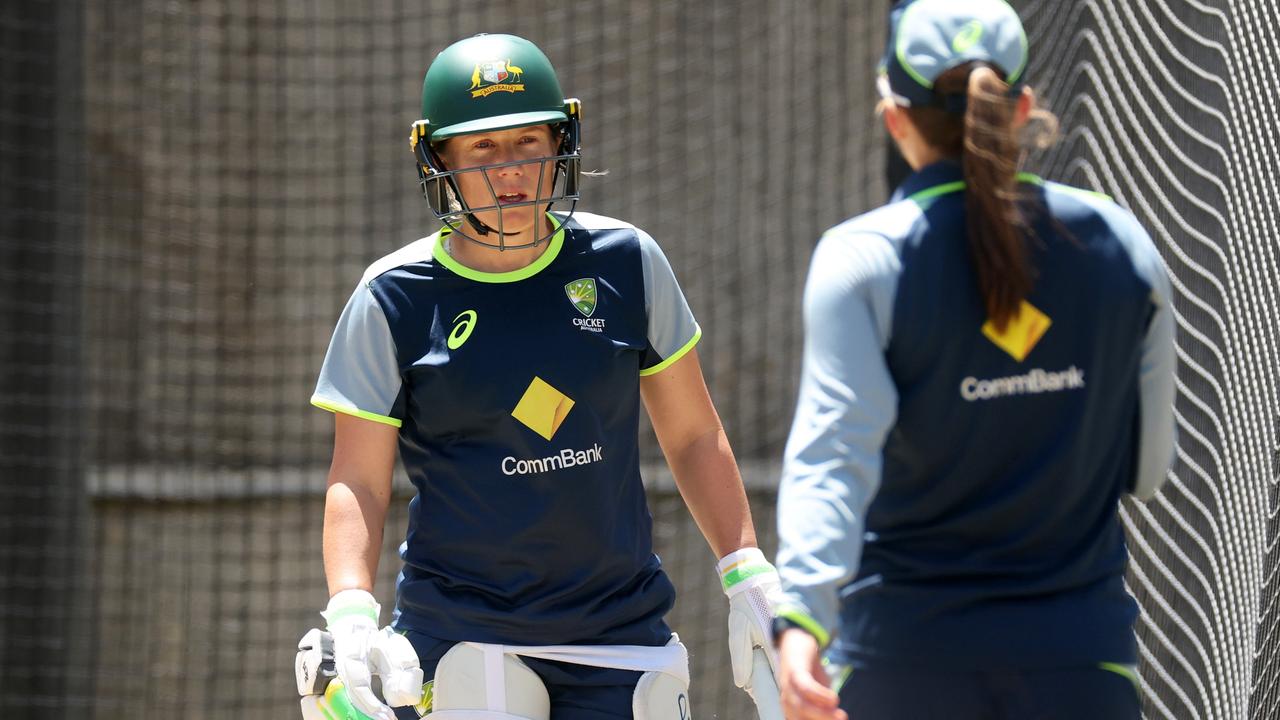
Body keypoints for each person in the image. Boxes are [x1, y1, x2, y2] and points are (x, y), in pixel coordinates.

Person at [294, 33, 783, 720]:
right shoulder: (392, 296)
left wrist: (747, 574)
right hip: (459, 634)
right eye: (483, 148)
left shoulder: (628, 262)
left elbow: (696, 435)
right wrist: (350, 611)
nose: (511, 170)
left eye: (529, 141)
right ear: (439, 159)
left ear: (562, 142)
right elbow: (359, 479)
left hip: (623, 635)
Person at [770, 1, 1177, 719]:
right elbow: (1146, 472)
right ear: (1022, 107)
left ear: (894, 117)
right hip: (1082, 667)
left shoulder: (863, 258)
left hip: (902, 667)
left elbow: (835, 458)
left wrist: (801, 619)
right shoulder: (1121, 243)